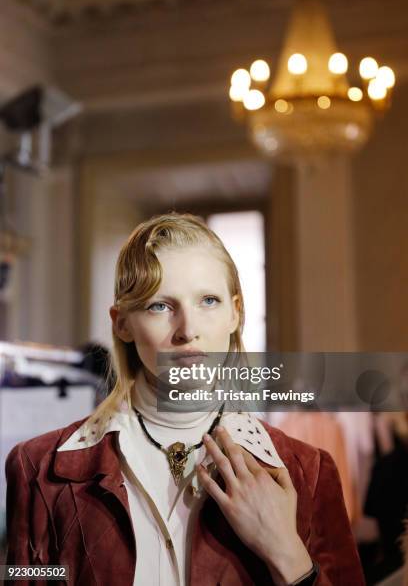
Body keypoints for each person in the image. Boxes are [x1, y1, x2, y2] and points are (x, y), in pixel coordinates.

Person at [4, 212, 365, 586]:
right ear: (121, 323)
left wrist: (288, 556)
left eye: (208, 301)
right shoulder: (38, 469)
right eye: (159, 306)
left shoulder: (307, 469)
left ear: (235, 314)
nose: (188, 331)